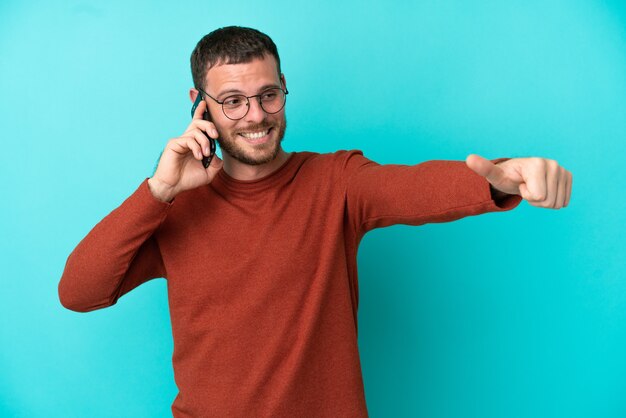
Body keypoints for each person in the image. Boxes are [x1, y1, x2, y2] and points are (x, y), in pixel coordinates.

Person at [58, 26, 573, 417]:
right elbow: (79, 291)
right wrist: (159, 191)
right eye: (233, 103)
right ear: (200, 107)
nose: (256, 116)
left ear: (283, 89)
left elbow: (412, 187)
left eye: (268, 95)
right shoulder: (174, 210)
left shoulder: (335, 181)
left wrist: (504, 177)